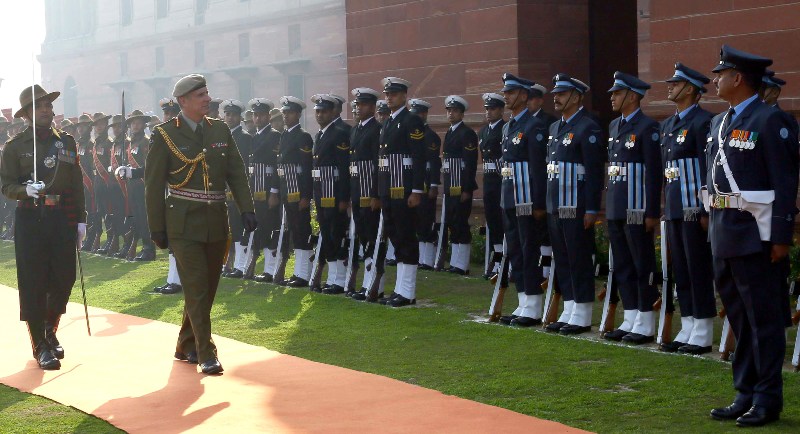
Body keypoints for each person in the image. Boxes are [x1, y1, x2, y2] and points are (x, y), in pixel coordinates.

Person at [706, 45, 798, 427]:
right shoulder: (718, 123)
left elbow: (785, 181)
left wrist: (780, 237)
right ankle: (744, 393)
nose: (715, 80)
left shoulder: (770, 121)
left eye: (720, 74)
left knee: (763, 321)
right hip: (724, 231)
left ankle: (766, 399)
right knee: (740, 320)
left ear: (738, 78)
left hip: (756, 235)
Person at [145, 74, 256, 375]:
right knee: (196, 288)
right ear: (183, 101)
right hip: (182, 222)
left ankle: (186, 344)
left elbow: (236, 171)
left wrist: (247, 208)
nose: (207, 99)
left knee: (206, 288)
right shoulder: (165, 133)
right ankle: (207, 353)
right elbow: (153, 184)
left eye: (207, 94)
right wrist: (156, 226)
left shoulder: (219, 129)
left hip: (216, 221)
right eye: (200, 95)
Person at [1, 84, 86, 370]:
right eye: (41, 106)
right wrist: (26, 190)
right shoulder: (15, 147)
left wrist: (82, 219)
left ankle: (50, 328)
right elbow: (5, 185)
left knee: (64, 278)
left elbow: (76, 182)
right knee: (34, 281)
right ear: (27, 114)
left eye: (49, 105)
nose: (48, 110)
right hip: (31, 217)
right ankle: (40, 344)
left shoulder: (68, 141)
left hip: (62, 215)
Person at [659, 63, 716, 354]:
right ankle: (688, 324)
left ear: (691, 89)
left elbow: (709, 169)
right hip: (674, 207)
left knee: (697, 267)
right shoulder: (668, 125)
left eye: (676, 83)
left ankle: (703, 328)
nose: (669, 86)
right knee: (681, 268)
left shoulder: (703, 122)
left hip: (694, 207)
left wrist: (706, 210)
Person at [602, 72, 662, 345]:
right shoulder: (614, 126)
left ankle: (646, 320)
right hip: (617, 206)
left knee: (641, 264)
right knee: (623, 265)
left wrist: (651, 211)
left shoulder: (647, 127)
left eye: (617, 93)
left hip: (637, 207)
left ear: (633, 96)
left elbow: (653, 172)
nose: (612, 97)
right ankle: (631, 317)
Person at [544, 73, 605, 335]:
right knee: (564, 258)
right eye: (555, 92)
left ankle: (581, 313)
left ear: (577, 97)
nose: (555, 97)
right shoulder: (556, 128)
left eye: (562, 93)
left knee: (578, 258)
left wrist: (592, 208)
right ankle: (569, 308)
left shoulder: (587, 127)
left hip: (577, 204)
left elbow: (593, 172)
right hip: (556, 204)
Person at [496, 74, 550, 327]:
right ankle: (523, 302)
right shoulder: (508, 127)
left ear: (524, 95)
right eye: (505, 91)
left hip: (527, 199)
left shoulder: (534, 126)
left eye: (511, 92)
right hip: (510, 197)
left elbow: (538, 168)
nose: (506, 96)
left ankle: (534, 306)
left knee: (529, 252)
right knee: (516, 252)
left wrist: (540, 203)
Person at [377, 77, 427, 307]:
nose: (389, 98)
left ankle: (407, 292)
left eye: (394, 94)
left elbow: (418, 157)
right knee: (395, 235)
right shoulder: (387, 123)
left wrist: (416, 190)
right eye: (387, 94)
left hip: (405, 188)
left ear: (404, 96)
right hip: (389, 188)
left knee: (406, 237)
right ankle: (399, 289)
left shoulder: (411, 121)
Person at [309, 94, 351, 293]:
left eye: (323, 111)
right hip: (321, 191)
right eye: (317, 111)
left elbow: (343, 169)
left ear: (332, 112)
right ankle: (333, 278)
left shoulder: (339, 133)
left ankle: (340, 280)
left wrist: (344, 198)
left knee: (336, 234)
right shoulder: (321, 134)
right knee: (326, 233)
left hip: (334, 192)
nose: (319, 115)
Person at [347, 87, 384, 301]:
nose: (358, 108)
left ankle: (375, 282)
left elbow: (377, 166)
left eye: (362, 104)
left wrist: (375, 195)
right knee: (363, 235)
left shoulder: (376, 130)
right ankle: (367, 282)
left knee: (372, 236)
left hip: (369, 190)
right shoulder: (356, 130)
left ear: (372, 107)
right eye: (357, 104)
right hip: (356, 189)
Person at [276, 96, 315, 287]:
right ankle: (298, 272)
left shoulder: (303, 136)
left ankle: (304, 274)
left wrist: (306, 195)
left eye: (289, 112)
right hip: (286, 190)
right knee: (294, 231)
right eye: (284, 113)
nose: (285, 116)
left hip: (298, 191)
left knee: (302, 230)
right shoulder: (284, 135)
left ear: (298, 114)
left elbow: (307, 168)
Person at [441, 95, 479, 275]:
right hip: (451, 185)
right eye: (448, 110)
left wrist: (467, 188)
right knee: (452, 222)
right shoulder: (450, 132)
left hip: (461, 185)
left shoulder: (467, 133)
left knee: (461, 223)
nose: (451, 113)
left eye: (454, 110)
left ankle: (462, 264)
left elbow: (470, 164)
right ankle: (455, 262)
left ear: (462, 114)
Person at [246, 98, 283, 282]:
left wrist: (275, 192)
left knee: (270, 228)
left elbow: (277, 167)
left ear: (269, 116)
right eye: (255, 115)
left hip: (268, 189)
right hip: (256, 189)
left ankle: (270, 269)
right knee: (259, 228)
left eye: (261, 114)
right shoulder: (255, 136)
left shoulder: (274, 135)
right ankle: (260, 267)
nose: (258, 118)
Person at [115, 109, 156, 261]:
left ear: (144, 124)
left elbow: (149, 166)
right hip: (132, 186)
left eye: (138, 122)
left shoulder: (146, 141)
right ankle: (143, 247)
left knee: (145, 219)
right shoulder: (130, 143)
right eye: (132, 123)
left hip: (143, 185)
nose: (135, 125)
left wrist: (133, 172)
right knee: (137, 218)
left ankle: (149, 249)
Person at [153, 98, 184, 295]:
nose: (169, 116)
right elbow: (154, 168)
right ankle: (173, 279)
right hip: (167, 192)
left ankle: (176, 280)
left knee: (178, 237)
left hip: (181, 192)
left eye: (173, 113)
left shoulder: (186, 136)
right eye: (166, 113)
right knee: (171, 237)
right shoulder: (160, 136)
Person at [220, 99, 254, 279]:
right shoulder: (220, 136)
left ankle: (240, 266)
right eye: (227, 114)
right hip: (221, 190)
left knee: (240, 229)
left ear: (240, 117)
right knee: (225, 229)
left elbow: (246, 167)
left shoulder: (246, 138)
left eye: (233, 114)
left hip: (237, 191)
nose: (230, 117)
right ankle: (227, 263)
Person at [407, 98, 441, 272]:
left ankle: (427, 259)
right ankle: (421, 257)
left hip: (427, 182)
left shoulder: (430, 136)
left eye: (419, 113)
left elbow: (434, 163)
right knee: (416, 220)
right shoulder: (411, 131)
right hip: (414, 179)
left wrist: (434, 184)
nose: (416, 116)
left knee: (426, 219)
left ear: (424, 114)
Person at [477, 93, 506, 278]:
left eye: (493, 108)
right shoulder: (483, 131)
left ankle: (506, 260)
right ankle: (497, 259)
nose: (489, 112)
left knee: (504, 222)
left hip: (502, 180)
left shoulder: (505, 129)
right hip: (489, 181)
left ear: (501, 110)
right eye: (487, 109)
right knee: (493, 221)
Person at [107, 114, 130, 258]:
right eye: (114, 126)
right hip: (114, 185)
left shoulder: (128, 143)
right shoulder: (114, 144)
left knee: (126, 216)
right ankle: (117, 242)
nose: (116, 129)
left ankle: (127, 244)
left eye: (119, 126)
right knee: (116, 215)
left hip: (125, 185)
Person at [90, 112, 114, 254]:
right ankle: (102, 239)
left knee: (109, 213)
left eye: (102, 123)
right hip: (97, 182)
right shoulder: (97, 143)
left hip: (107, 183)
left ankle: (111, 240)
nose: (99, 126)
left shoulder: (109, 143)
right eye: (97, 124)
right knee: (100, 213)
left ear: (106, 125)